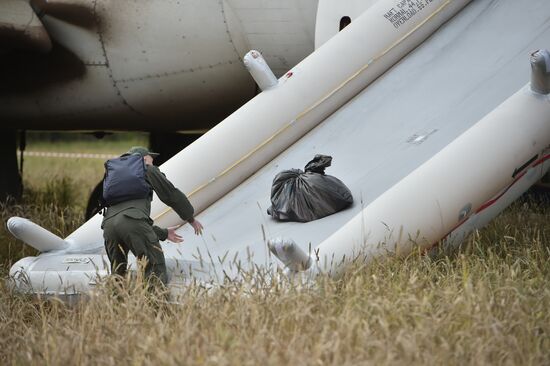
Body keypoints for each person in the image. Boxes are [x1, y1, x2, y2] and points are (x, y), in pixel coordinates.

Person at [101, 146, 203, 286]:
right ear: (143, 159)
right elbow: (171, 195)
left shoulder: (115, 177)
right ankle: (154, 307)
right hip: (132, 224)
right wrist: (190, 218)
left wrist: (164, 233)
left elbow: (125, 221)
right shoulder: (147, 169)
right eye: (151, 158)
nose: (153, 162)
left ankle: (114, 307)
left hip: (109, 226)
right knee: (154, 269)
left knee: (118, 275)